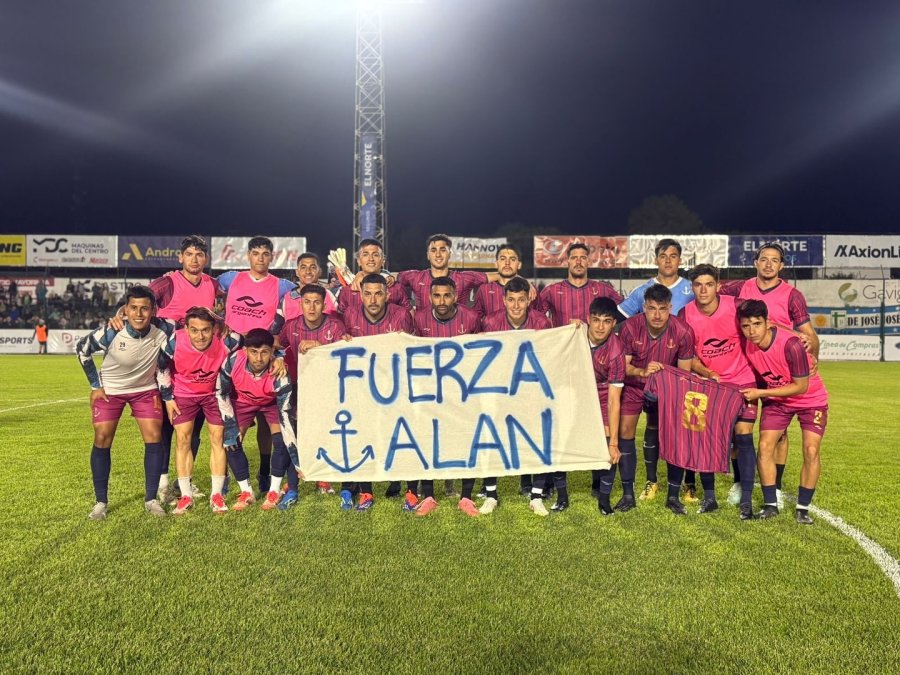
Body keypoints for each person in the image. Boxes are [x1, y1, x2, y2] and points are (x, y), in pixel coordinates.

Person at [721, 242, 819, 508]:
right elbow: (712, 293)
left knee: (780, 433)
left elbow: (809, 334)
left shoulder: (791, 295)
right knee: (739, 429)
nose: (768, 264)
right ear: (755, 262)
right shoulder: (740, 287)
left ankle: (773, 488)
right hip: (746, 367)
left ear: (781, 266)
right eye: (763, 259)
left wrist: (814, 358)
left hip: (779, 370)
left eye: (774, 260)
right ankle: (740, 483)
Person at [76, 286, 175, 520]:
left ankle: (151, 499)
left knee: (154, 437)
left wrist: (220, 324)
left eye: (144, 308)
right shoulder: (112, 332)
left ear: (153, 311)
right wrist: (95, 386)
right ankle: (101, 502)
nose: (139, 314)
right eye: (133, 308)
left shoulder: (165, 327)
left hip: (144, 390)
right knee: (102, 438)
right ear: (125, 310)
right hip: (111, 391)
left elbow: (194, 324)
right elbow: (82, 349)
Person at [678, 264, 759, 519]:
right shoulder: (685, 314)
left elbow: (762, 323)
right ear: (692, 287)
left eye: (709, 284)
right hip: (708, 384)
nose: (704, 290)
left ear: (718, 286)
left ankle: (746, 501)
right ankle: (710, 498)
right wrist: (707, 373)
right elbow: (686, 356)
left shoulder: (736, 306)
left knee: (743, 436)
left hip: (743, 380)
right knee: (705, 438)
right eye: (698, 285)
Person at [217, 236, 296, 494]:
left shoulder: (282, 285)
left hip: (263, 357)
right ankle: (225, 477)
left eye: (265, 254)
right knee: (225, 425)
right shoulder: (230, 279)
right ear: (248, 256)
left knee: (267, 423)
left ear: (271, 257)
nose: (260, 258)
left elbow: (306, 294)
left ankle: (264, 472)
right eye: (255, 253)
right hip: (234, 358)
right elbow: (205, 287)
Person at [738, 300, 828, 524]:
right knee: (765, 447)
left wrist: (760, 393)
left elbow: (801, 387)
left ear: (767, 323)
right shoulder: (748, 343)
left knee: (811, 450)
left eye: (757, 324)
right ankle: (770, 506)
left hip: (810, 399)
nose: (752, 331)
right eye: (746, 326)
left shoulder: (792, 345)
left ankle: (802, 509)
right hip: (778, 400)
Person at [147, 235, 222, 503]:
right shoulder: (167, 283)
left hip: (200, 367)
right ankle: (164, 483)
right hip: (168, 366)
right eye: (189, 254)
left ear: (206, 259)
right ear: (180, 258)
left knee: (195, 429)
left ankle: (184, 482)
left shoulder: (213, 285)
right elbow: (141, 301)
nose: (194, 259)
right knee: (168, 428)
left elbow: (225, 312)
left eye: (199, 255)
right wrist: (122, 312)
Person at [615, 283, 694, 511]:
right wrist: (642, 371)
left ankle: (672, 496)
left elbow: (684, 374)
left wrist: (664, 381)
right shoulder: (630, 327)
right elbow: (623, 367)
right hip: (634, 385)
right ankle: (629, 494)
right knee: (625, 431)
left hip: (667, 388)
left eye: (662, 308)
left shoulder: (683, 331)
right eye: (651, 309)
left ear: (670, 307)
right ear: (643, 308)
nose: (657, 315)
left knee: (671, 434)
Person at [341, 273, 414, 511]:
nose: (373, 299)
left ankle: (411, 491)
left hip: (396, 387)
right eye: (368, 293)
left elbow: (412, 349)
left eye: (378, 293)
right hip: (362, 389)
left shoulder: (402, 315)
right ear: (360, 295)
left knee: (403, 436)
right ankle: (366, 493)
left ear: (388, 294)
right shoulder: (349, 315)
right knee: (363, 438)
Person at [411, 276, 483, 517]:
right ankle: (429, 495)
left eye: (447, 295)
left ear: (455, 296)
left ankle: (466, 497)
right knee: (428, 440)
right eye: (436, 295)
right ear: (430, 297)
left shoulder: (471, 318)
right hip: (430, 390)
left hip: (463, 391)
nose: (441, 301)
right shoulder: (419, 318)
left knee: (467, 441)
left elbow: (481, 351)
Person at [480, 277, 552, 515]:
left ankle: (537, 495)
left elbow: (551, 356)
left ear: (528, 300)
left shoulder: (542, 323)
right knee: (492, 440)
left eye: (521, 300)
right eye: (511, 300)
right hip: (499, 390)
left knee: (537, 440)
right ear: (503, 300)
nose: (516, 305)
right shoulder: (490, 322)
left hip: (531, 392)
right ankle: (491, 494)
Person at [157, 307, 237, 515]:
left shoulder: (228, 340)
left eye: (205, 330)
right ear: (187, 328)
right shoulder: (174, 341)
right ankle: (185, 497)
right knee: (183, 440)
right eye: (194, 330)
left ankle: (216, 496)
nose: (200, 336)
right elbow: (162, 367)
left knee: (217, 439)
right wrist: (167, 398)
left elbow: (255, 346)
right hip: (184, 394)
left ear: (214, 329)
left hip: (214, 394)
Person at [277, 283, 348, 504]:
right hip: (301, 388)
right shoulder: (291, 326)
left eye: (317, 302)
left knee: (334, 435)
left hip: (329, 389)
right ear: (301, 304)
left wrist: (321, 347)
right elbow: (278, 343)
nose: (312, 307)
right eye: (307, 302)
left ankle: (337, 483)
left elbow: (344, 355)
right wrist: (279, 357)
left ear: (323, 304)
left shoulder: (335, 326)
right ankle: (293, 488)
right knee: (296, 436)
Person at [215, 329, 298, 512]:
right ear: (245, 351)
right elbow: (221, 392)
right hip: (243, 402)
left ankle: (274, 491)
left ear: (272, 352)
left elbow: (285, 417)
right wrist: (229, 425)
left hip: (270, 403)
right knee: (231, 442)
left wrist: (296, 459)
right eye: (254, 352)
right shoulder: (232, 361)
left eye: (264, 352)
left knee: (281, 441)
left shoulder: (280, 374)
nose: (259, 358)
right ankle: (247, 492)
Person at [584, 298, 625, 515]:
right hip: (577, 393)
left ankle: (604, 498)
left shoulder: (616, 351)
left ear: (613, 323)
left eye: (606, 321)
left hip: (602, 396)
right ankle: (561, 495)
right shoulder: (575, 336)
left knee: (607, 441)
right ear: (588, 319)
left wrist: (614, 443)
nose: (600, 327)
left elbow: (613, 400)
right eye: (596, 320)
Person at [391, 234, 493, 310]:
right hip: (424, 336)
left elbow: (497, 276)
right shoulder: (415, 277)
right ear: (428, 255)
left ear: (450, 254)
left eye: (443, 250)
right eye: (433, 250)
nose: (438, 255)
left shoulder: (464, 278)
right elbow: (393, 276)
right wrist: (389, 277)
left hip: (455, 335)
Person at [538, 243, 623, 327]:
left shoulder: (603, 289)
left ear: (588, 261)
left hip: (592, 341)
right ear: (568, 261)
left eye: (583, 258)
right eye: (574, 258)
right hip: (563, 340)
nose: (578, 262)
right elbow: (533, 316)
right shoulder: (552, 290)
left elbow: (625, 311)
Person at [618, 238, 694, 319]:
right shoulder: (641, 291)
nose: (668, 261)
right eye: (663, 256)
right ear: (656, 261)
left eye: (673, 256)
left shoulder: (693, 290)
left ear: (680, 261)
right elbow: (614, 319)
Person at [338, 239, 410, 313]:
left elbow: (408, 315)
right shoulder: (347, 291)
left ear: (383, 261)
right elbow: (340, 318)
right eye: (365, 254)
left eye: (375, 255)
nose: (371, 259)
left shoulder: (397, 288)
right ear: (359, 261)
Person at [278, 252, 339, 321]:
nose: (308, 271)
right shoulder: (286, 299)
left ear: (319, 272)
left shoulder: (330, 296)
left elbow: (337, 324)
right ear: (297, 272)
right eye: (303, 267)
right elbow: (277, 329)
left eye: (313, 267)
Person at [472, 244, 525, 318]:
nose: (507, 263)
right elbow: (476, 319)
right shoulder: (484, 289)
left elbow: (538, 318)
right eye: (503, 259)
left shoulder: (530, 290)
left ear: (519, 265)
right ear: (496, 264)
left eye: (512, 259)